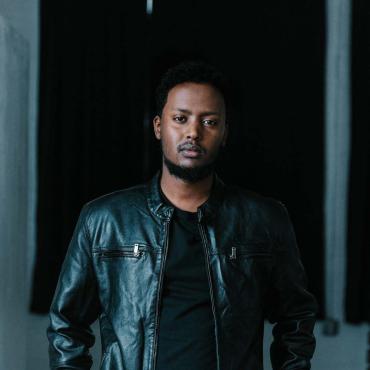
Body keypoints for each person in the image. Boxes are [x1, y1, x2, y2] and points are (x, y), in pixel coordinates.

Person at [47, 61, 318, 370]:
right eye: (180, 118)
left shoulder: (264, 219)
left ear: (225, 133)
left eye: (210, 122)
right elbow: (66, 324)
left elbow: (295, 318)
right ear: (159, 126)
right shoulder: (105, 219)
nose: (193, 132)